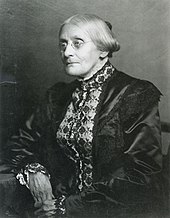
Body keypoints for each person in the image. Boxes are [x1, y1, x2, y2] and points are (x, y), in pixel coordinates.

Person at [3, 14, 164, 218]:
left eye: (77, 44)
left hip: (117, 210)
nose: (67, 52)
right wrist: (34, 170)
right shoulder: (57, 96)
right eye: (63, 45)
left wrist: (68, 207)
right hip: (52, 205)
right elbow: (18, 143)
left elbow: (143, 173)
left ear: (103, 50)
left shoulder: (135, 93)